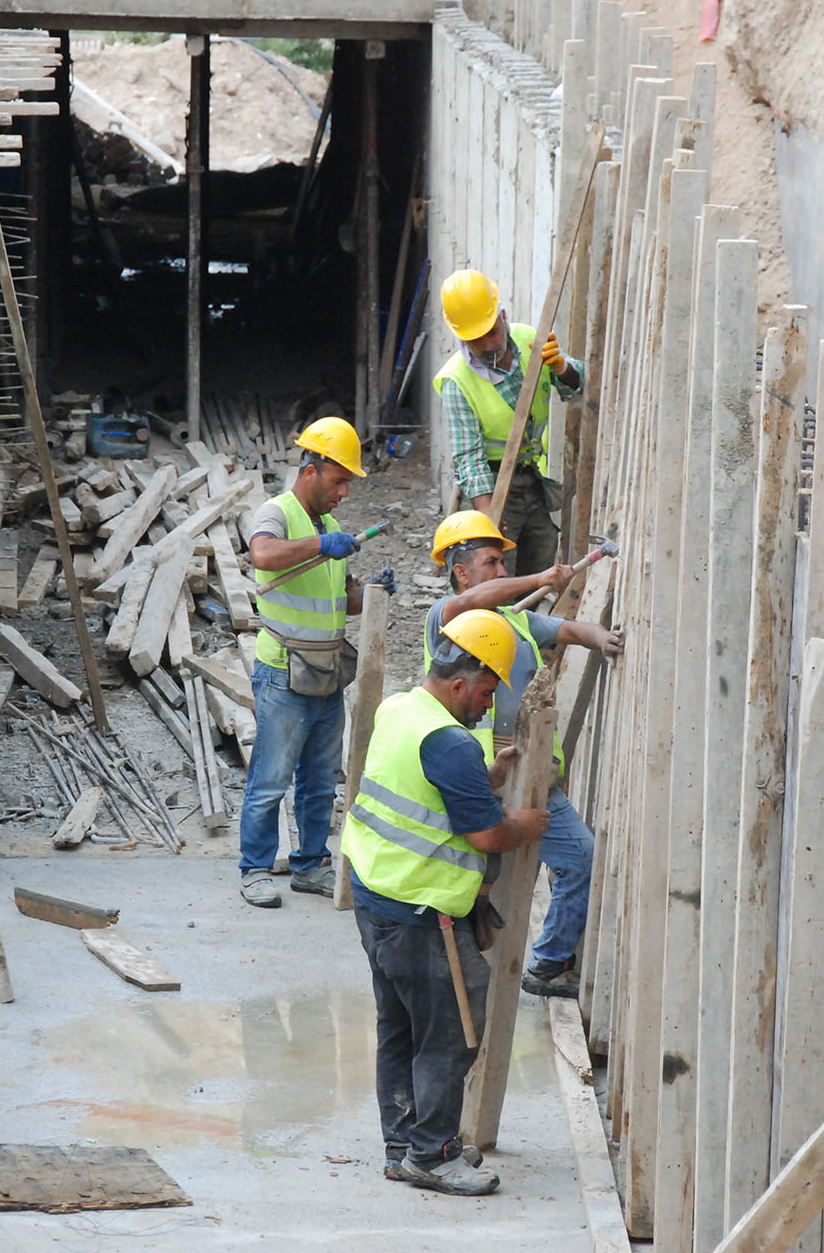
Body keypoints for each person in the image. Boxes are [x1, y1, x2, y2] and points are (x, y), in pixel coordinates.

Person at [344, 609, 551, 1196]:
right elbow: (486, 837)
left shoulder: (403, 710)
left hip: (378, 895)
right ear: (459, 682)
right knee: (451, 1032)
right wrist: (525, 822)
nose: (489, 704)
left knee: (401, 1026)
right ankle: (432, 1156)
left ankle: (402, 1143)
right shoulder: (450, 743)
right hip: (423, 911)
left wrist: (479, 778)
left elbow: (422, 786)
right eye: (487, 690)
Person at [422, 510, 623, 998]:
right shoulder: (450, 619)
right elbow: (471, 602)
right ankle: (466, 971)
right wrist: (540, 576)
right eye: (491, 563)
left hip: (530, 776)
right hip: (479, 775)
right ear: (461, 571)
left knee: (579, 859)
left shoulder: (515, 619)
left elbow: (571, 631)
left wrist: (606, 639)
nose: (501, 572)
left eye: (503, 564)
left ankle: (547, 963)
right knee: (479, 879)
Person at [236, 416, 367, 908]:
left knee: (319, 779)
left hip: (327, 671)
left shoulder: (329, 525)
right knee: (271, 778)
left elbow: (340, 599)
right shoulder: (276, 512)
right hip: (283, 671)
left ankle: (311, 864)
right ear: (311, 469)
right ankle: (254, 868)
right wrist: (321, 545)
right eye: (338, 481)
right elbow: (264, 556)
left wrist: (369, 593)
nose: (344, 493)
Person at [433, 269, 585, 576]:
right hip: (493, 485)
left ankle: (527, 624)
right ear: (461, 336)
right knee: (495, 579)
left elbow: (576, 387)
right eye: (477, 340)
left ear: (502, 316)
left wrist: (562, 367)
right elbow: (470, 459)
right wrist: (488, 515)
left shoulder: (531, 340)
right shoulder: (456, 381)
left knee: (539, 569)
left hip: (532, 480)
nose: (489, 345)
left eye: (493, 332)